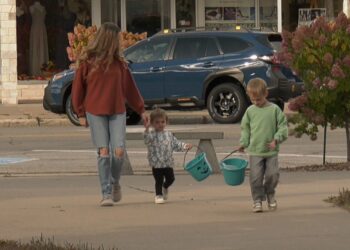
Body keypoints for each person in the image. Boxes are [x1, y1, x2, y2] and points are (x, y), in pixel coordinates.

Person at [72, 22, 149, 207]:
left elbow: (130, 89)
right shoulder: (88, 62)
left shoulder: (120, 65)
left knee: (119, 151)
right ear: (109, 39)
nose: (120, 42)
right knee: (104, 152)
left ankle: (115, 182)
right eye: (117, 38)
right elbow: (78, 89)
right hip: (95, 111)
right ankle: (106, 193)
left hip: (117, 111)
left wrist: (142, 109)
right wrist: (80, 113)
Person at [238, 78, 288, 213]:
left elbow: (283, 127)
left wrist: (276, 139)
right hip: (255, 151)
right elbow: (245, 129)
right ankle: (257, 200)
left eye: (258, 99)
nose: (256, 103)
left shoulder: (274, 110)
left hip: (271, 151)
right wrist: (243, 143)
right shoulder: (250, 111)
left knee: (273, 175)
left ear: (266, 94)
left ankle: (270, 194)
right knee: (255, 177)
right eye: (253, 100)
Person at [144, 108, 192, 204]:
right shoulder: (151, 135)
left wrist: (185, 146)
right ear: (152, 123)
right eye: (157, 122)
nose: (160, 124)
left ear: (166, 122)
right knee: (159, 180)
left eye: (163, 122)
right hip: (156, 164)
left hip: (168, 162)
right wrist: (147, 129)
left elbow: (176, 144)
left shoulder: (169, 135)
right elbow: (146, 140)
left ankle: (165, 187)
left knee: (171, 178)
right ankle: (158, 195)